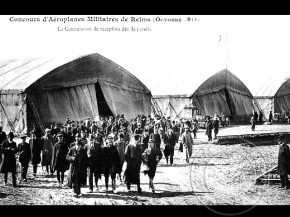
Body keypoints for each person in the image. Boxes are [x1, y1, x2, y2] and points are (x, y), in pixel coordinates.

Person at [66, 133, 88, 197]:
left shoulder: (83, 150)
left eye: (79, 145)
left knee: (79, 179)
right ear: (75, 145)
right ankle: (75, 191)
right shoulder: (72, 149)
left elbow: (85, 158)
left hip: (81, 167)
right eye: (77, 145)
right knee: (74, 179)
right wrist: (71, 158)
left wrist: (86, 166)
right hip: (73, 167)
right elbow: (67, 156)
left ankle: (79, 191)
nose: (78, 146)